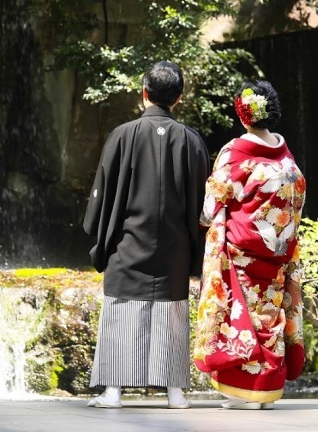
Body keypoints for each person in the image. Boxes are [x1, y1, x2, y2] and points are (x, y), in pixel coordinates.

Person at [82, 60, 210, 409]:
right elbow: (203, 202)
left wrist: (100, 234)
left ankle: (113, 392)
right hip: (176, 248)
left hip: (128, 243)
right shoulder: (192, 141)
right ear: (179, 98)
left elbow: (103, 194)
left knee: (123, 309)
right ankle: (175, 392)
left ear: (144, 93)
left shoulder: (123, 135)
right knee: (172, 312)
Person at [193, 79, 306, 410]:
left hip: (241, 252)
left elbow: (210, 206)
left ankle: (244, 391)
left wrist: (203, 223)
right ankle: (268, 388)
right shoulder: (286, 156)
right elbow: (297, 201)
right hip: (277, 252)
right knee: (270, 317)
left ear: (243, 115)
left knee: (240, 318)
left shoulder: (236, 152)